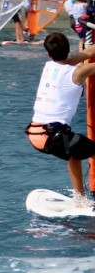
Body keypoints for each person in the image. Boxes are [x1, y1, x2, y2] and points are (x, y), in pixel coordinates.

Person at [26, 32, 95, 205]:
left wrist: (75, 58)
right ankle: (80, 199)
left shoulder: (49, 66)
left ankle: (80, 199)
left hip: (35, 135)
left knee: (74, 152)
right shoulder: (77, 73)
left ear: (48, 54)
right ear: (68, 49)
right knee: (80, 149)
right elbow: (85, 56)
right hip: (53, 136)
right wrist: (77, 58)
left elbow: (82, 56)